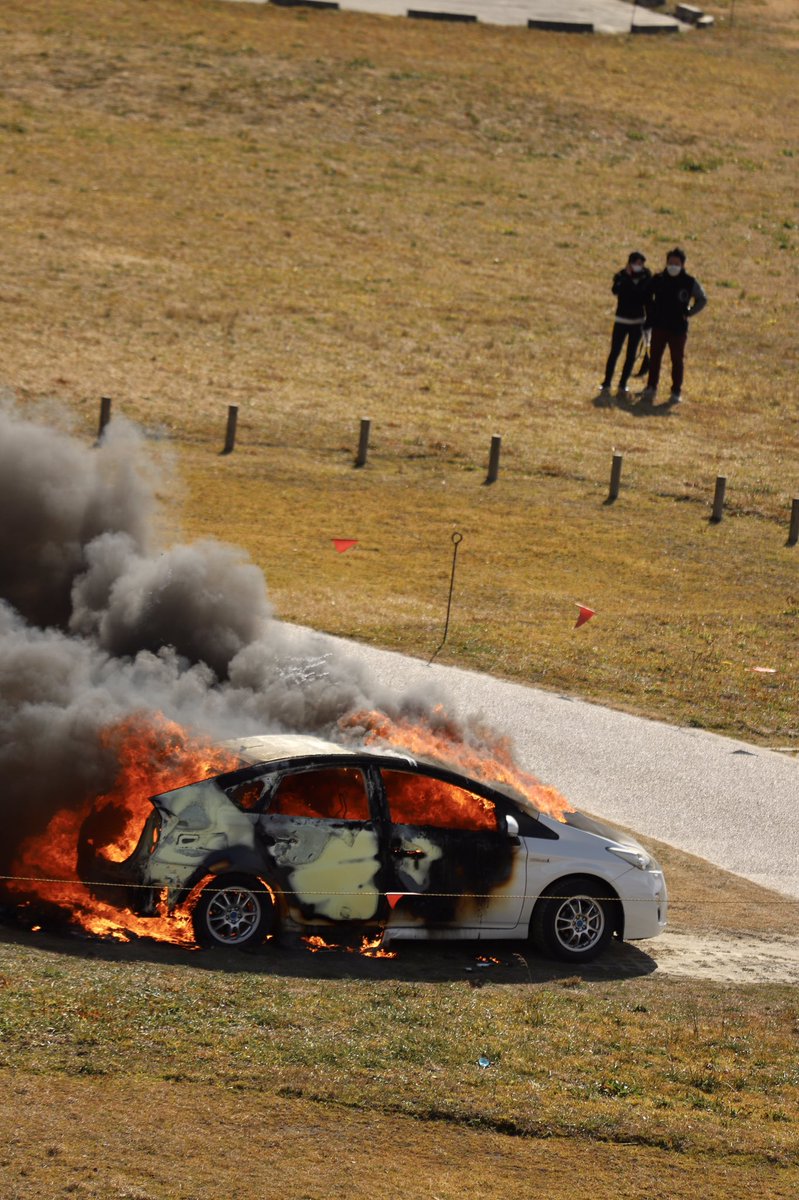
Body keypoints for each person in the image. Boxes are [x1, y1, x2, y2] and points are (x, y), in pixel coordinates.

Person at [640, 248, 707, 405]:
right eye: (670, 262)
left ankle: (676, 391)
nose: (672, 266)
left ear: (682, 265)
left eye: (676, 263)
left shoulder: (689, 282)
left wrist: (689, 312)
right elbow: (646, 295)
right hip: (659, 325)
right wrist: (651, 311)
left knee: (677, 360)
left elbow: (702, 299)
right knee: (655, 357)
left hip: (678, 328)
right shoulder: (659, 278)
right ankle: (651, 387)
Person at [599, 251, 652, 400]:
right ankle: (607, 382)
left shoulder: (647, 278)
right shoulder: (621, 276)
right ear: (629, 263)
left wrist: (649, 321)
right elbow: (616, 290)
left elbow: (644, 297)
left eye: (641, 263)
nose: (638, 266)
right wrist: (627, 278)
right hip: (621, 320)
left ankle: (623, 384)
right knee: (614, 352)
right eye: (635, 263)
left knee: (631, 354)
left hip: (637, 322)